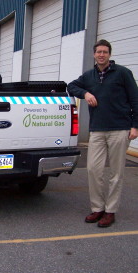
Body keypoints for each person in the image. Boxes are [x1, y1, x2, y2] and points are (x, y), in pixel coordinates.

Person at [67, 40, 138, 227]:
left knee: (116, 173)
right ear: (94, 54)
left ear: (109, 54)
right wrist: (86, 94)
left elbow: (135, 100)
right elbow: (71, 86)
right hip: (97, 130)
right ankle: (97, 208)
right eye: (98, 52)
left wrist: (135, 126)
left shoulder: (123, 73)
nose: (101, 55)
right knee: (93, 170)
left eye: (105, 52)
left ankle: (110, 211)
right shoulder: (89, 76)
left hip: (119, 129)